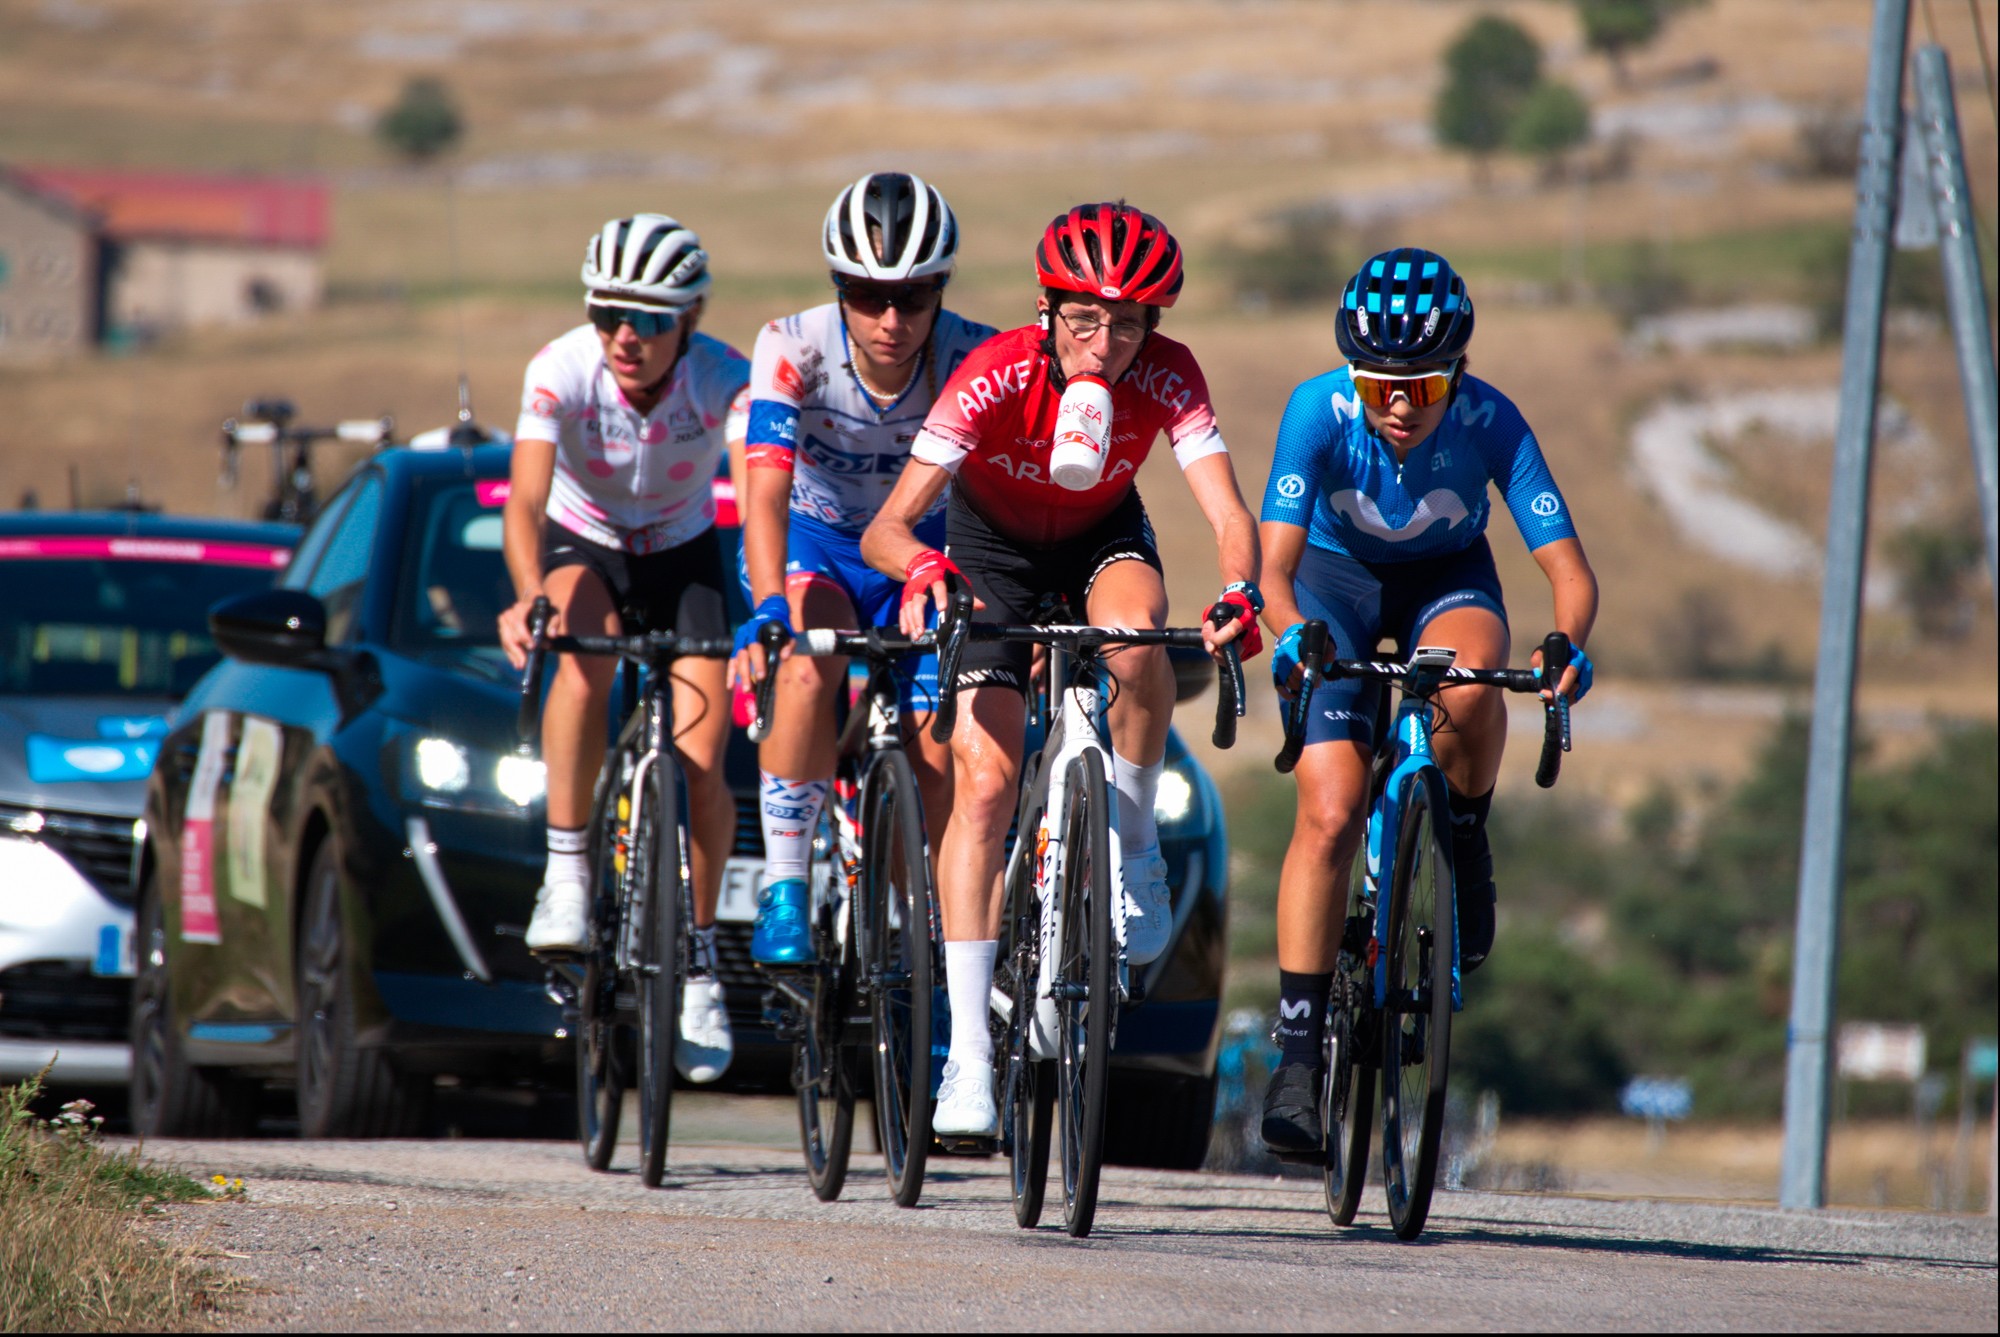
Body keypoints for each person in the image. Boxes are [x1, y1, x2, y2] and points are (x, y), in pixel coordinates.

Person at [860, 202, 1262, 1137]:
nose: (1105, 342)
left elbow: (1227, 512)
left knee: (1140, 629)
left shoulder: (1168, 374)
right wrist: (922, 566)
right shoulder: (993, 373)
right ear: (1047, 308)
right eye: (1084, 317)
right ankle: (965, 1054)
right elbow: (887, 524)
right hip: (990, 553)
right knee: (988, 784)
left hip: (1101, 539)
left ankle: (1133, 848)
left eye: (1128, 323)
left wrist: (1240, 589)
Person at [1254, 247, 1599, 1152]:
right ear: (1352, 378)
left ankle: (1464, 833)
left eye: (1425, 388)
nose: (1401, 407)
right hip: (1334, 583)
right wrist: (1291, 629)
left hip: (1447, 578)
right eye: (1379, 388)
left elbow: (1567, 569)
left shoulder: (1492, 421)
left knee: (1476, 681)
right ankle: (1295, 1056)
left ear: (1460, 374)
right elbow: (1275, 570)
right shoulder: (1314, 411)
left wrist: (1567, 641)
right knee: (1328, 812)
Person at [497, 214, 751, 1085]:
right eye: (609, 314)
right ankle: (567, 873)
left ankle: (703, 958)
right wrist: (529, 593)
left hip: (684, 553)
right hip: (587, 542)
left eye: (649, 319)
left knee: (704, 759)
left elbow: (761, 487)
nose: (625, 336)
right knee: (578, 649)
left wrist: (769, 599)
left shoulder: (725, 377)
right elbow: (525, 503)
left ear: (690, 319)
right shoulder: (561, 367)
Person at [728, 172, 996, 966]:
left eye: (912, 299)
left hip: (921, 552)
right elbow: (766, 493)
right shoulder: (792, 346)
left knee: (938, 756)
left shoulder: (972, 354)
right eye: (865, 295)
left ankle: (935, 947)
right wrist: (771, 605)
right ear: (837, 289)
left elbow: (1001, 499)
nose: (890, 320)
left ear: (941, 292)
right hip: (817, 543)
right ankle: (785, 885)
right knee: (810, 668)